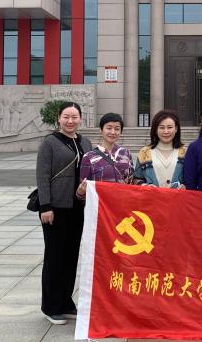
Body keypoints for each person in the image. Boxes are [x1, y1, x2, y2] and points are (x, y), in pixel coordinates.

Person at [35, 101, 92, 325]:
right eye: (66, 117)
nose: (70, 121)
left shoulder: (84, 142)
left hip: (78, 206)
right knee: (55, 256)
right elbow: (42, 175)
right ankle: (50, 306)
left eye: (74, 117)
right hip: (55, 207)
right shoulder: (49, 143)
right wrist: (45, 206)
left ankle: (66, 302)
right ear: (59, 118)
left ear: (80, 119)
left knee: (71, 256)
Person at [76, 113, 134, 199]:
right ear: (101, 129)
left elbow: (131, 183)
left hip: (122, 203)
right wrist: (80, 193)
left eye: (117, 129)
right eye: (109, 128)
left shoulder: (126, 153)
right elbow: (83, 192)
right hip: (101, 205)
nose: (113, 132)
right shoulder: (89, 157)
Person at [133, 109, 187, 188]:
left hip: (179, 196)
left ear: (176, 129)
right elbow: (136, 179)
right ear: (155, 129)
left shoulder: (185, 152)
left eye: (170, 127)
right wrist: (145, 186)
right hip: (151, 196)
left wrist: (185, 186)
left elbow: (191, 178)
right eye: (161, 127)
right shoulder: (144, 152)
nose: (166, 131)